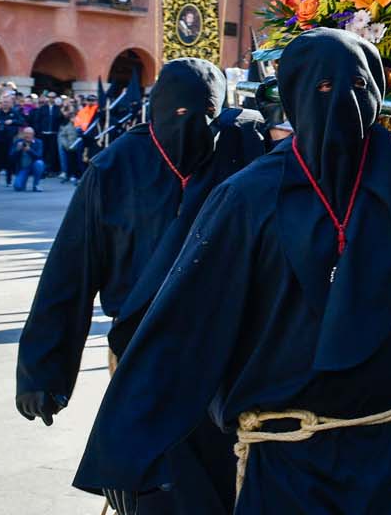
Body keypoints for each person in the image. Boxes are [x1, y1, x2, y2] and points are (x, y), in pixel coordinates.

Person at [72, 30, 391, 514]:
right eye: (325, 89)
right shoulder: (250, 194)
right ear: (297, 96)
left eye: (359, 88)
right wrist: (126, 449)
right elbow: (187, 319)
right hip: (289, 458)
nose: (343, 103)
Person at [17, 58, 265, 515]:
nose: (189, 129)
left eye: (205, 117)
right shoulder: (114, 168)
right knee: (154, 484)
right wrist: (43, 370)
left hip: (223, 358)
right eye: (178, 116)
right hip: (141, 354)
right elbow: (71, 270)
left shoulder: (240, 154)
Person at [0, 93, 27, 187]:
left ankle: (8, 180)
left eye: (7, 102)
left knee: (8, 160)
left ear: (11, 103)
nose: (5, 104)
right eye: (4, 102)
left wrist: (12, 121)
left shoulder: (15, 112)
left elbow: (22, 122)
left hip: (10, 139)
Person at [30, 93, 63, 174]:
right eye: (50, 97)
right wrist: (38, 131)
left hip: (53, 133)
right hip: (43, 133)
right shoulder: (42, 108)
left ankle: (50, 170)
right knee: (43, 152)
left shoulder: (58, 109)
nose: (51, 99)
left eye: (53, 97)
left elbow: (61, 119)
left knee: (52, 153)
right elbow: (37, 120)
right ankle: (42, 170)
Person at [11, 126, 46, 192]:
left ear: (33, 134)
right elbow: (11, 157)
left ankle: (36, 185)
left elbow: (39, 156)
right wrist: (17, 150)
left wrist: (29, 150)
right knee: (18, 187)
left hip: (34, 166)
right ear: (23, 134)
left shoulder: (38, 142)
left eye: (29, 133)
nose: (27, 135)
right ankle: (23, 181)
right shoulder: (18, 142)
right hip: (23, 168)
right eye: (26, 133)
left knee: (39, 163)